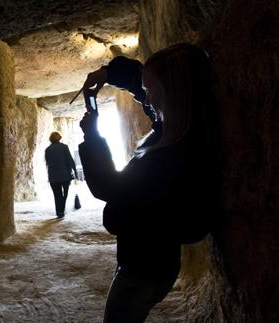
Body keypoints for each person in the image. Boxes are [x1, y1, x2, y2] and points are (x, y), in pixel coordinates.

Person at [78, 43, 219, 322]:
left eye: (152, 91)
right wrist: (110, 73)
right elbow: (148, 87)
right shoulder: (183, 127)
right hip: (155, 262)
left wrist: (93, 138)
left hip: (142, 270)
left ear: (172, 95)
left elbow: (110, 187)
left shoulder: (168, 157)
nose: (147, 99)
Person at [45, 131, 78, 218]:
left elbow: (48, 163)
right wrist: (75, 172)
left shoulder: (47, 150)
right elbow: (70, 160)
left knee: (57, 194)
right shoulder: (64, 147)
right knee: (65, 194)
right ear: (59, 138)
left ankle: (59, 212)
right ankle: (62, 210)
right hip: (65, 175)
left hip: (53, 176)